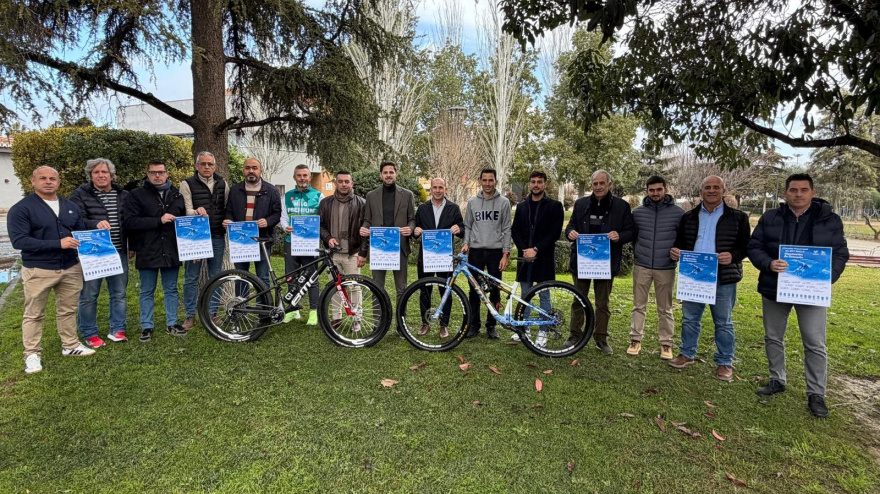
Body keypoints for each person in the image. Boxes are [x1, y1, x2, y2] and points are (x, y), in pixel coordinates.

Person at [748, 173, 849, 418]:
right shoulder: (771, 217)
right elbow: (754, 247)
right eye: (793, 190)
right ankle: (777, 379)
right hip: (774, 287)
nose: (798, 194)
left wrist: (826, 277)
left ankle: (816, 393)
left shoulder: (829, 219)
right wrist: (769, 264)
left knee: (815, 343)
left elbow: (840, 253)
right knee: (773, 337)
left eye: (804, 190)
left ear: (812, 192)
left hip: (811, 291)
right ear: (785, 193)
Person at [8, 166, 95, 373]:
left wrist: (96, 232)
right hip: (39, 269)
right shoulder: (22, 208)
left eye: (53, 178)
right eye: (43, 178)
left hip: (70, 267)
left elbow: (80, 231)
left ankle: (70, 345)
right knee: (34, 314)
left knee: (68, 309)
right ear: (33, 181)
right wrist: (57, 244)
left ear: (59, 182)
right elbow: (19, 241)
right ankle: (32, 354)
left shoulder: (69, 206)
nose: (48, 182)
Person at [669, 175, 750, 382]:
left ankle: (725, 362)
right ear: (701, 192)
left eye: (716, 187)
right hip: (694, 276)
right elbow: (680, 242)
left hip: (723, 277)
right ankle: (687, 354)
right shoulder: (688, 217)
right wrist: (676, 251)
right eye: (707, 187)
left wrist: (733, 256)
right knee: (689, 319)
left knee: (723, 322)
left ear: (723, 191)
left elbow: (746, 247)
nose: (711, 191)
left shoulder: (738, 218)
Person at [564, 170, 635, 353]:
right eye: (595, 184)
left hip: (606, 263)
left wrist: (619, 235)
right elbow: (571, 225)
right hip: (582, 262)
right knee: (578, 299)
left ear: (609, 185)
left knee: (602, 303)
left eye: (602, 183)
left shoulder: (621, 206)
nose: (598, 187)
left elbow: (631, 231)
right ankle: (574, 335)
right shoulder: (580, 205)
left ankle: (601, 338)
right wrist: (570, 232)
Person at [69, 158, 131, 346]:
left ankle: (118, 329)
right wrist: (94, 224)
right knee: (89, 295)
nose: (101, 175)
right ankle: (89, 332)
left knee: (118, 293)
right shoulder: (79, 195)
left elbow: (129, 221)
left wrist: (132, 245)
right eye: (96, 172)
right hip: (92, 254)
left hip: (118, 251)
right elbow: (75, 221)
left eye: (104, 172)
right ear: (90, 175)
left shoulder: (124, 195)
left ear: (111, 175)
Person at [124, 159, 188, 342]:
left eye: (160, 172)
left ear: (167, 173)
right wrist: (158, 220)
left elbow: (184, 223)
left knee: (171, 289)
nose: (157, 176)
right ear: (147, 174)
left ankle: (172, 323)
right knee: (146, 290)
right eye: (153, 172)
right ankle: (147, 326)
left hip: (171, 249)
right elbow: (130, 222)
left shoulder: (176, 195)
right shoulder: (136, 195)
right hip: (147, 249)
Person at [628, 176, 684, 359]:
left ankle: (666, 343)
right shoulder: (637, 213)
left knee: (665, 308)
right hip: (642, 265)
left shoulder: (678, 213)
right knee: (638, 305)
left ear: (665, 189)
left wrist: (679, 250)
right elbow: (632, 236)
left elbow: (683, 238)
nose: (655, 193)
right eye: (651, 190)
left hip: (665, 266)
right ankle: (635, 339)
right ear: (647, 191)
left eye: (659, 189)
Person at [510, 170, 564, 345]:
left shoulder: (554, 206)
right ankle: (523, 328)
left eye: (539, 182)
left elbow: (554, 232)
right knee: (525, 295)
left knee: (544, 296)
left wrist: (536, 249)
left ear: (545, 184)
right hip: (525, 258)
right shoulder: (522, 206)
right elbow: (515, 230)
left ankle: (543, 331)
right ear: (529, 184)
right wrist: (524, 249)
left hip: (543, 258)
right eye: (533, 182)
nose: (535, 185)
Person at [179, 151, 229, 330]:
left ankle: (213, 313)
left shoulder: (222, 183)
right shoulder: (186, 184)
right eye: (203, 164)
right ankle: (190, 316)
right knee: (191, 278)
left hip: (216, 236)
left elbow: (227, 207)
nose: (207, 167)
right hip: (195, 238)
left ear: (215, 166)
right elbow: (186, 210)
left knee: (216, 276)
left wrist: (227, 219)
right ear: (196, 166)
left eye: (210, 164)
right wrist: (195, 212)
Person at [462, 168, 512, 339]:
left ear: (496, 182)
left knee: (495, 289)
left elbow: (507, 229)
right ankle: (474, 325)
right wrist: (466, 243)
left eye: (491, 180)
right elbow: (467, 225)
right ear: (480, 182)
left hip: (495, 251)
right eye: (485, 180)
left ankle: (491, 325)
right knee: (474, 288)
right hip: (475, 250)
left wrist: (506, 253)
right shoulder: (472, 202)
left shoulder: (504, 202)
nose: (488, 183)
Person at [413, 178, 465, 339]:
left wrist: (458, 229)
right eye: (434, 187)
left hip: (444, 256)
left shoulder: (453, 208)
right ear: (431, 190)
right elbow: (415, 226)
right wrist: (416, 230)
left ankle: (444, 325)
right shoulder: (422, 208)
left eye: (440, 187)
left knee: (446, 290)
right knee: (425, 290)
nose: (437, 190)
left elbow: (462, 229)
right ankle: (425, 323)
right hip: (426, 256)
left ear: (445, 189)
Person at [359, 161, 416, 303]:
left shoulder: (407, 195)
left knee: (401, 289)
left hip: (400, 247)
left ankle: (400, 324)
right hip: (379, 247)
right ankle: (378, 324)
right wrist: (365, 228)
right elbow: (368, 219)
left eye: (391, 172)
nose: (388, 175)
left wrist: (410, 228)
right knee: (377, 287)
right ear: (381, 175)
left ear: (396, 174)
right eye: (385, 172)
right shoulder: (371, 196)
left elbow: (412, 220)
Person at [223, 157, 282, 288]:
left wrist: (267, 221)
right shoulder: (235, 190)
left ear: (260, 171)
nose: (251, 171)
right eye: (248, 168)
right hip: (241, 240)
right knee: (241, 277)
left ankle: (263, 306)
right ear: (243, 170)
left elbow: (277, 213)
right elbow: (229, 210)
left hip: (262, 240)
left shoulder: (271, 190)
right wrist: (228, 220)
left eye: (254, 168)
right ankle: (241, 305)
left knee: (263, 277)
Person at [280, 164, 323, 324]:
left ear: (310, 177)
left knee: (312, 278)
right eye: (299, 175)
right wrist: (286, 227)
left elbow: (322, 219)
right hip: (291, 242)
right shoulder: (286, 196)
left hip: (310, 244)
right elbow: (283, 217)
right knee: (291, 277)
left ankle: (314, 311)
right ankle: (292, 309)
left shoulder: (319, 196)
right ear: (294, 178)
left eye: (305, 175)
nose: (302, 178)